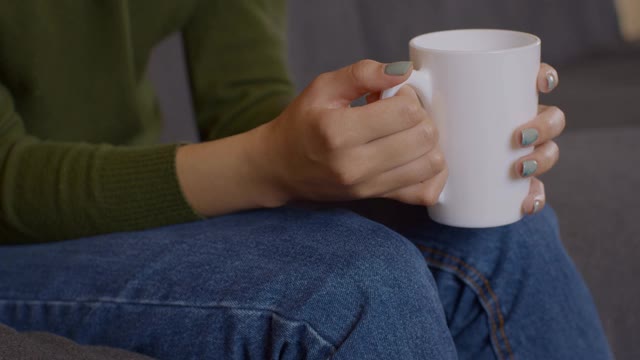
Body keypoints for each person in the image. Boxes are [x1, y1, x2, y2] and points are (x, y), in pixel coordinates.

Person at [0, 1, 612, 359]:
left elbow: (244, 105)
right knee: (357, 285)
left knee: (500, 235)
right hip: (15, 238)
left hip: (137, 196)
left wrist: (351, 146)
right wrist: (269, 163)